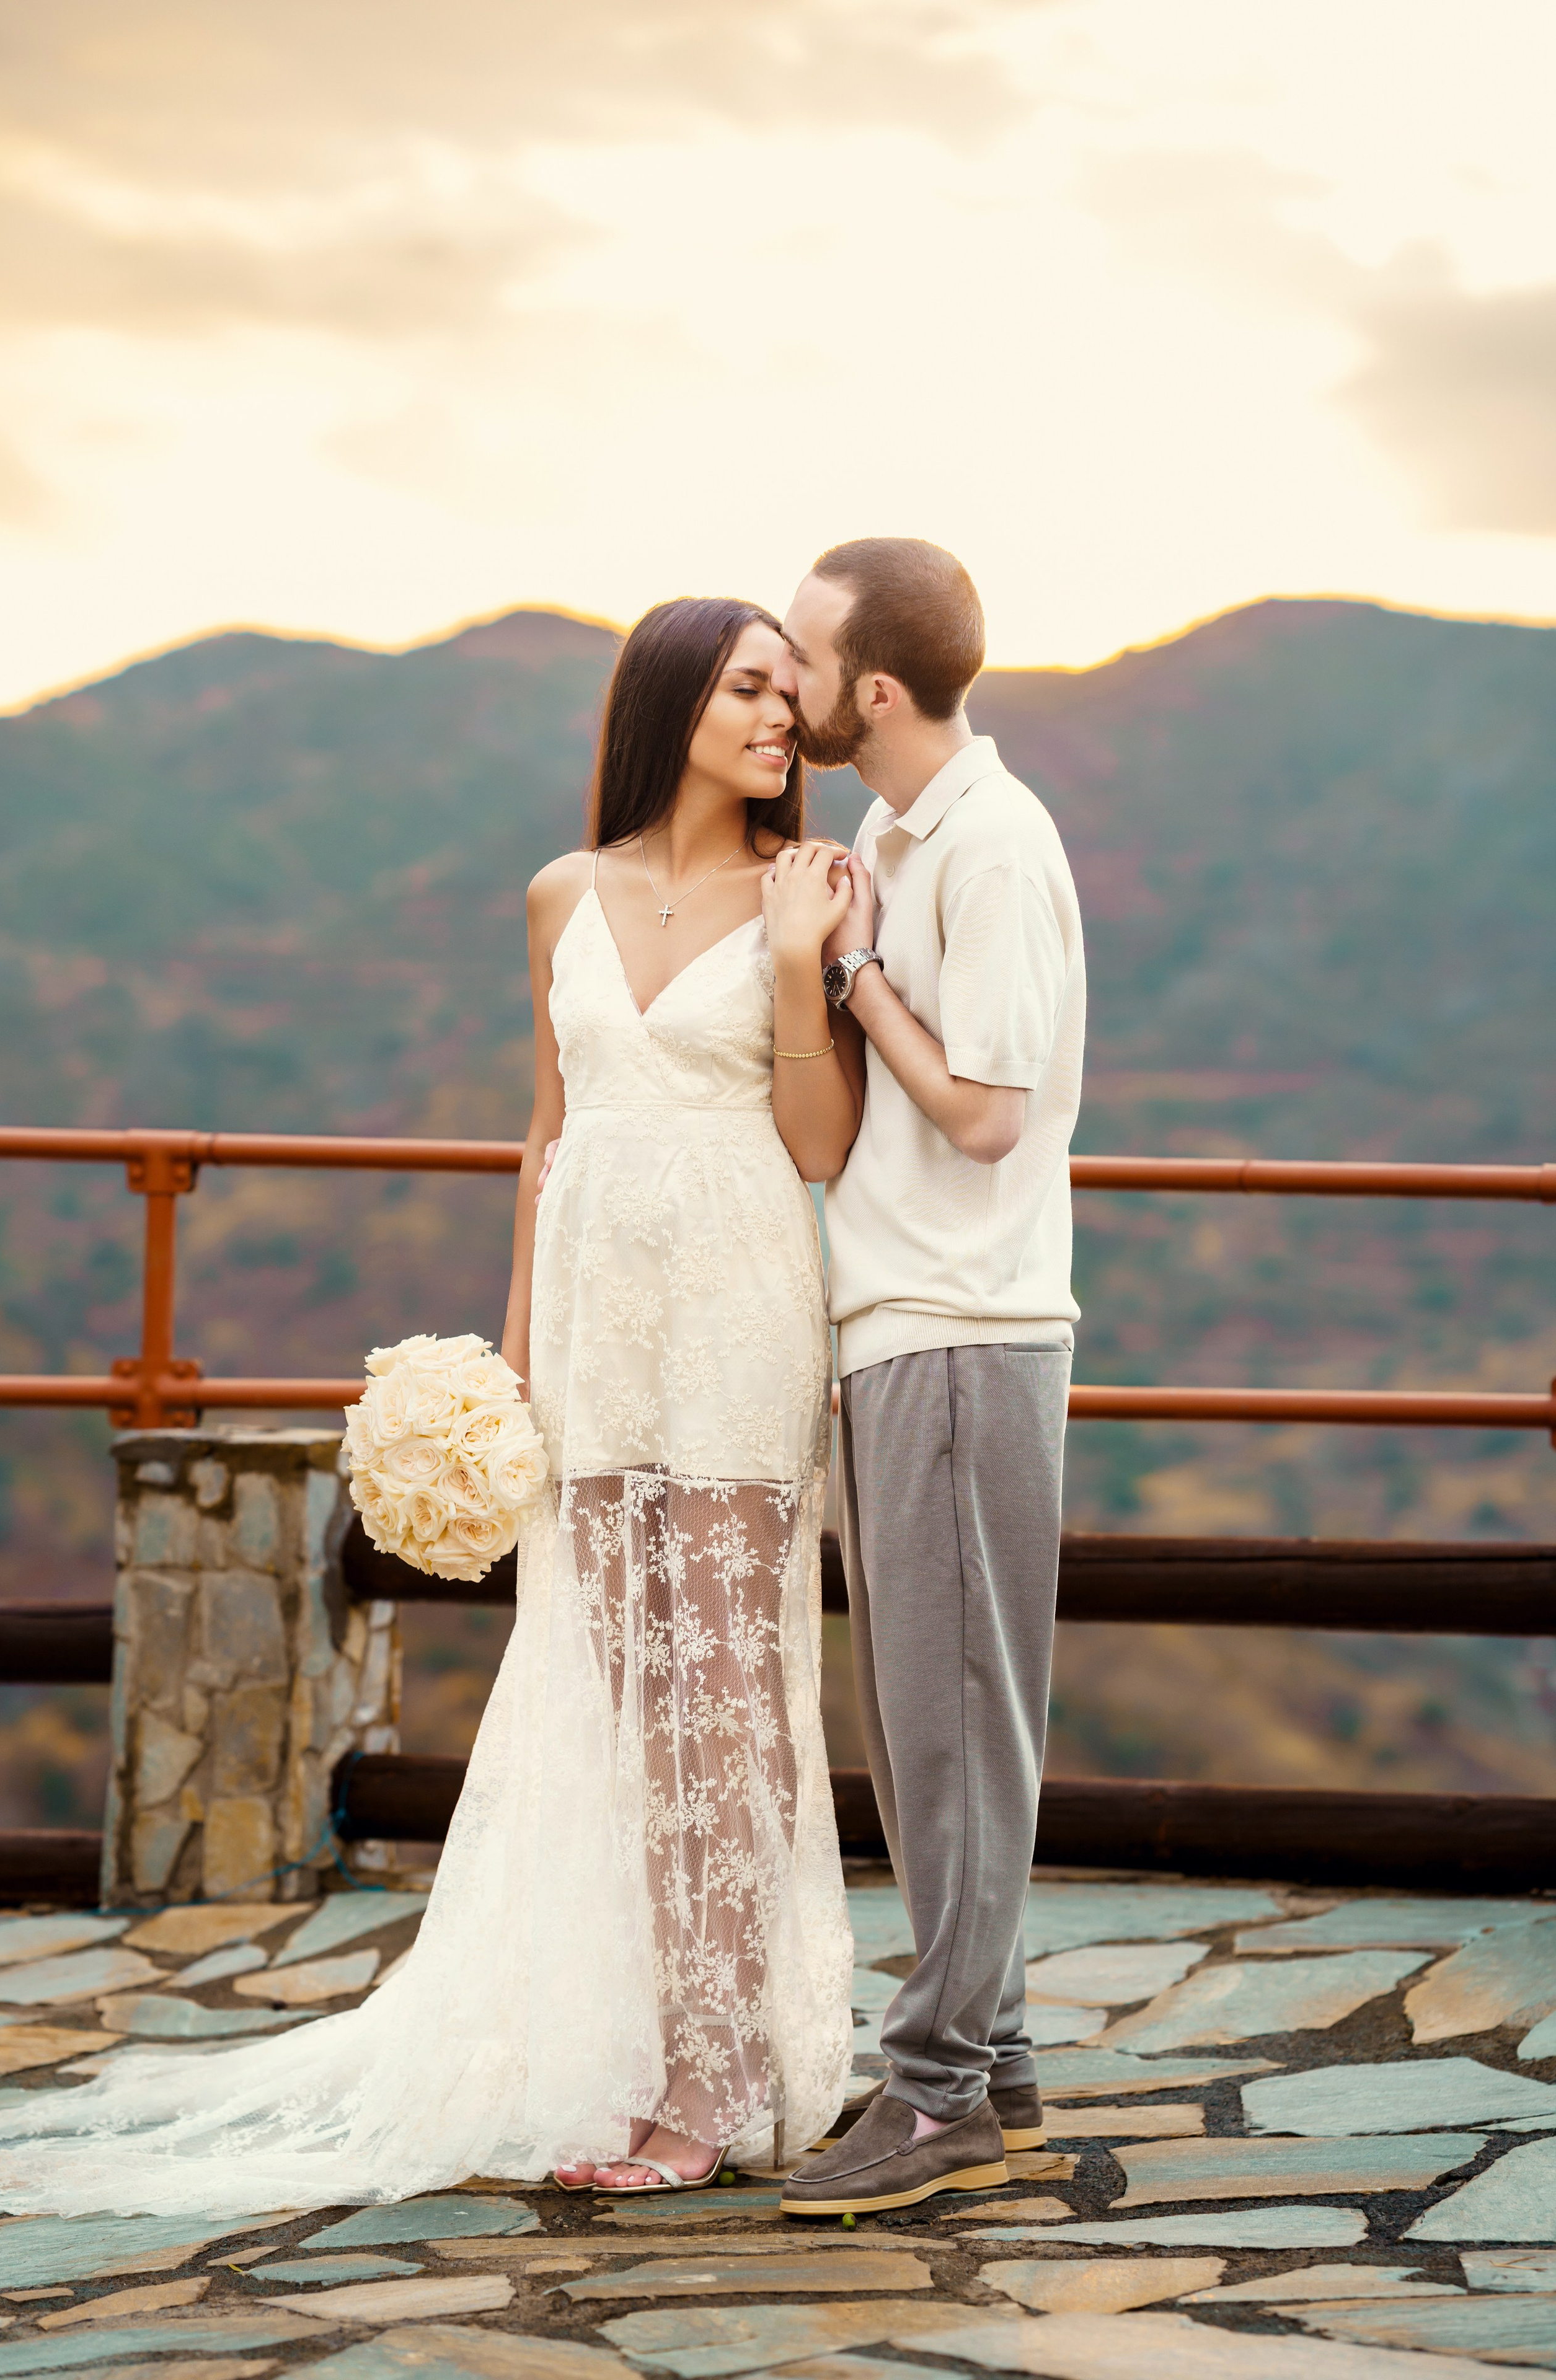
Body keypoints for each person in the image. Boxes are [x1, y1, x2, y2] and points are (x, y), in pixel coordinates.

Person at [0, 596, 859, 2218]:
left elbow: (818, 1146)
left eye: (791, 694)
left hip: (737, 1307)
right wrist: (512, 1364)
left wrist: (801, 969)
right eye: (749, 688)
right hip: (597, 1325)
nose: (780, 718)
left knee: (725, 1690)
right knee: (617, 1695)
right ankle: (657, 2049)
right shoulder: (560, 897)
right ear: (671, 703)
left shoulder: (805, 891)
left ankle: (727, 2079)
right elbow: (545, 1130)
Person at [771, 539, 1085, 2218]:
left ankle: (941, 2094)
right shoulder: (902, 835)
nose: (791, 679)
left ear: (871, 690)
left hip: (966, 1327)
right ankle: (1001, 2053)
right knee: (922, 1735)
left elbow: (985, 1113)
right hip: (897, 1325)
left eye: (808, 657)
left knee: (955, 1731)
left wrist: (853, 972)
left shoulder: (998, 846)